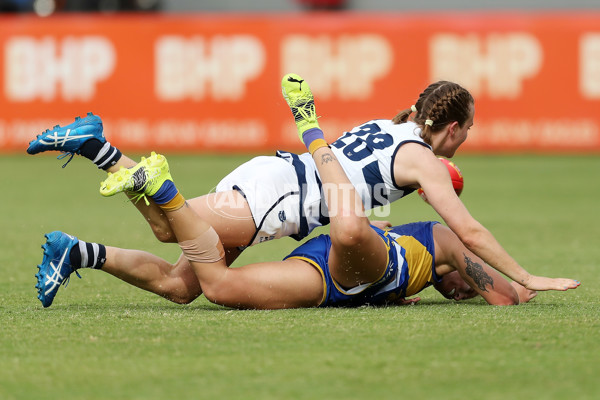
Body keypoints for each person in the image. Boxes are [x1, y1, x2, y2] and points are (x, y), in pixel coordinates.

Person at [34, 75, 578, 309]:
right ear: (452, 128)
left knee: (184, 286)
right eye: (469, 130)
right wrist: (527, 277)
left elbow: (362, 202)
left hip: (274, 182)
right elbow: (469, 230)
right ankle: (104, 150)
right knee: (163, 217)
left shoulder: (385, 129)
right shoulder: (423, 161)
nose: (466, 141)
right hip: (277, 198)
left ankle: (77, 250)